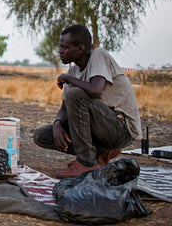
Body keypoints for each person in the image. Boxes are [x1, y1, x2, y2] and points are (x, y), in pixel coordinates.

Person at [33, 25, 141, 178]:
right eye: (60, 47)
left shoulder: (98, 55)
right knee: (42, 135)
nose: (60, 51)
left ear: (80, 48)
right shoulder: (73, 71)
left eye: (65, 47)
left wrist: (68, 79)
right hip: (99, 129)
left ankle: (86, 163)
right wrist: (57, 124)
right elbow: (64, 109)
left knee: (75, 94)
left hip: (121, 129)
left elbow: (95, 90)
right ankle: (101, 153)